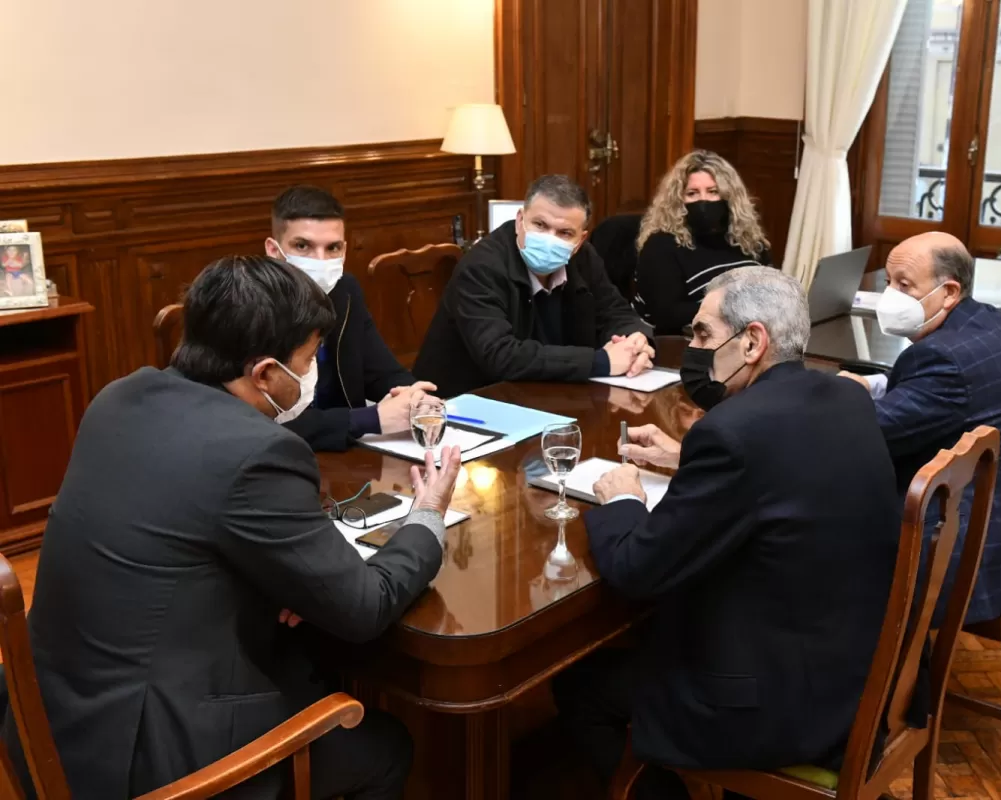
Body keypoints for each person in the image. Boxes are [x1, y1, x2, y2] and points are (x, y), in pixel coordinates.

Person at [1, 255, 462, 799]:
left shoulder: (119, 397)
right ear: (265, 372)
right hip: (149, 756)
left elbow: (182, 527)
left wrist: (284, 579)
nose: (312, 374)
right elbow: (364, 607)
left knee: (305, 656)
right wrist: (428, 511)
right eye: (310, 359)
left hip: (56, 716)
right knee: (384, 748)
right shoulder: (259, 451)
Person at [553, 267, 902, 799]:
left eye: (702, 335)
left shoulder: (732, 433)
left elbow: (637, 570)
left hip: (775, 704)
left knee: (582, 685)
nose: (692, 349)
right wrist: (683, 458)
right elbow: (784, 476)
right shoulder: (844, 398)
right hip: (857, 669)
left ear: (753, 342)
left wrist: (623, 496)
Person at [839, 232, 1001, 623]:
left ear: (949, 291)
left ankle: (875, 668)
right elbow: (932, 395)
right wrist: (871, 385)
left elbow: (867, 437)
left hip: (976, 551)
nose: (891, 295)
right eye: (889, 282)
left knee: (827, 522)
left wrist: (830, 395)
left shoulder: (941, 357)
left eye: (904, 285)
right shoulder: (983, 319)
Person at [413, 175, 655, 398]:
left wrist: (636, 341)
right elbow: (501, 355)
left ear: (580, 240)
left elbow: (615, 310)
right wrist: (601, 361)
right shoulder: (480, 267)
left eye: (564, 233)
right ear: (520, 220)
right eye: (540, 225)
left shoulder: (583, 258)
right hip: (467, 402)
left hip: (549, 395)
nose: (550, 238)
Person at [265, 185, 435, 452]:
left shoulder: (345, 290)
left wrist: (415, 397)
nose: (320, 261)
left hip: (348, 455)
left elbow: (381, 371)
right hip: (280, 458)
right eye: (302, 246)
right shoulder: (249, 308)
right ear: (274, 251)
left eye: (332, 248)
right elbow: (265, 425)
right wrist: (371, 418)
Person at [633, 150, 771, 336]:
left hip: (751, 336)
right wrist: (732, 308)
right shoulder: (661, 245)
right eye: (692, 193)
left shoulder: (749, 241)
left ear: (729, 197)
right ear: (678, 200)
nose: (703, 201)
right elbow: (668, 315)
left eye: (713, 192)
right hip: (686, 344)